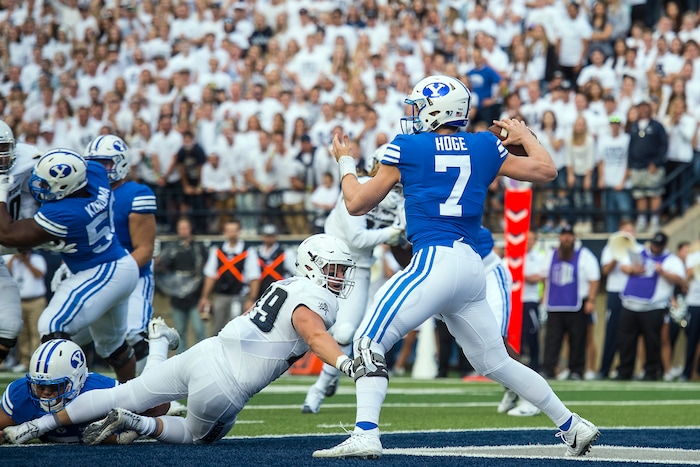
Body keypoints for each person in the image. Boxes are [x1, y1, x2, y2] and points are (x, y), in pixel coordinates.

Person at [313, 75, 599, 459]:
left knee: (367, 340)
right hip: (470, 264)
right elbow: (547, 171)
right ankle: (572, 425)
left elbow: (356, 203)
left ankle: (366, 432)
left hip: (434, 259)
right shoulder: (483, 145)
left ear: (434, 109)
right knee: (495, 361)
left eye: (418, 107)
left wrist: (346, 163)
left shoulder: (408, 146)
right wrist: (523, 133)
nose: (413, 115)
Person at [1, 234, 358, 446]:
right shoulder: (317, 296)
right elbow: (313, 334)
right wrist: (346, 363)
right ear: (313, 265)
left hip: (207, 350)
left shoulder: (285, 283)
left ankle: (36, 426)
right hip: (226, 384)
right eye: (336, 269)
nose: (341, 277)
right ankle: (136, 423)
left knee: (123, 392)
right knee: (196, 436)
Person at [0, 148, 140, 383]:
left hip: (101, 270)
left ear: (66, 188)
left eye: (45, 184)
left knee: (52, 324)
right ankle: (134, 400)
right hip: (119, 264)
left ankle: (63, 399)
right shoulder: (94, 173)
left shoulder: (65, 212)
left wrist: (2, 193)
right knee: (113, 348)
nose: (37, 186)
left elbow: (7, 234)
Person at [301, 146, 404, 414]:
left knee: (346, 332)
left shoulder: (403, 201)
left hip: (358, 267)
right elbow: (358, 240)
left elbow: (403, 238)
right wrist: (393, 231)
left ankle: (320, 388)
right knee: (307, 325)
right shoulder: (358, 188)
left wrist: (403, 234)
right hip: (324, 262)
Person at [0, 319, 179, 444]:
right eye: (40, 386)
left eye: (54, 386)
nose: (45, 393)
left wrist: (131, 429)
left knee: (149, 386)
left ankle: (158, 341)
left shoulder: (99, 389)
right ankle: (159, 341)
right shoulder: (21, 395)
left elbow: (161, 404)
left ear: (78, 382)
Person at [84, 134, 157, 376]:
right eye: (93, 163)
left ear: (121, 162)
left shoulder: (137, 193)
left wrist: (115, 276)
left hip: (133, 274)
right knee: (67, 331)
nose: (99, 169)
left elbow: (145, 249)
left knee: (133, 333)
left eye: (104, 162)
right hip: (95, 273)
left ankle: (156, 394)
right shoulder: (84, 193)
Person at [616, 232, 686, 381]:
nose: (655, 247)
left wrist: (663, 272)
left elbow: (679, 278)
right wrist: (633, 270)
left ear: (664, 246)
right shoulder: (638, 253)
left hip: (653, 307)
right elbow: (623, 266)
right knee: (626, 340)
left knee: (651, 341)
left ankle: (651, 372)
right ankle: (624, 370)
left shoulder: (671, 260)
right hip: (630, 304)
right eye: (654, 244)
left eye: (659, 245)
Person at [0, 120, 40, 367]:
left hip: (7, 242)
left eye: (3, 147)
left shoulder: (28, 159)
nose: (0, 156)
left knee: (9, 324)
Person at [541, 225, 601, 381]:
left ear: (574, 238)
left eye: (569, 236)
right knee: (552, 339)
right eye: (564, 236)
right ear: (560, 238)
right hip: (554, 303)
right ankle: (549, 368)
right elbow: (544, 277)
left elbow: (594, 278)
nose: (566, 239)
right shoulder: (551, 254)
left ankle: (576, 370)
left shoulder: (584, 255)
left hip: (576, 304)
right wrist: (543, 300)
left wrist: (591, 299)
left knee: (577, 339)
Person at [198, 219, 261, 336]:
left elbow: (254, 276)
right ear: (225, 232)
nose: (232, 233)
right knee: (216, 329)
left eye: (234, 230)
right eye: (229, 230)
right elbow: (210, 275)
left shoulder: (248, 251)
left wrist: (251, 299)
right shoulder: (217, 250)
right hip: (220, 296)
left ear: (239, 231)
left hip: (239, 296)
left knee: (238, 330)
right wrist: (205, 297)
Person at [155, 217, 208, 353]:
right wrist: (158, 262)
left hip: (195, 298)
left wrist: (204, 296)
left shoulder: (199, 248)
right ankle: (182, 363)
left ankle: (201, 358)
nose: (183, 231)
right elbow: (164, 270)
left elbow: (207, 271)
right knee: (180, 333)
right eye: (181, 228)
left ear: (190, 229)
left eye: (186, 228)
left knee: (199, 330)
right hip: (177, 300)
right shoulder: (172, 248)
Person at [598, 220, 640, 379]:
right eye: (625, 231)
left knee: (630, 334)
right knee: (612, 331)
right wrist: (617, 255)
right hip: (615, 292)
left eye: (631, 231)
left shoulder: (639, 249)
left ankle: (626, 369)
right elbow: (605, 271)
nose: (629, 234)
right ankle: (604, 369)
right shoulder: (610, 248)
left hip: (632, 294)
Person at [2, 248, 47, 373]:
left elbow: (40, 274)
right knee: (22, 335)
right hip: (18, 300)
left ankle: (36, 361)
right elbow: (5, 273)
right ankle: (24, 361)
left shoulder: (37, 259)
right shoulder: (9, 259)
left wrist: (26, 262)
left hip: (36, 300)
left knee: (36, 332)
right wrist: (14, 258)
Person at [628, 99, 668, 233]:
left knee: (654, 193)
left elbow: (664, 145)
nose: (644, 110)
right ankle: (642, 219)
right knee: (640, 194)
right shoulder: (634, 126)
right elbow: (631, 147)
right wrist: (630, 165)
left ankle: (655, 219)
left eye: (646, 107)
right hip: (637, 166)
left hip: (652, 166)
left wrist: (656, 162)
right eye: (641, 107)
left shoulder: (657, 126)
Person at [255, 223, 296, 300]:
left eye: (271, 236)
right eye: (266, 236)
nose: (268, 238)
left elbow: (294, 272)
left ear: (276, 236)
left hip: (280, 294)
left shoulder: (286, 252)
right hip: (260, 293)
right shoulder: (256, 253)